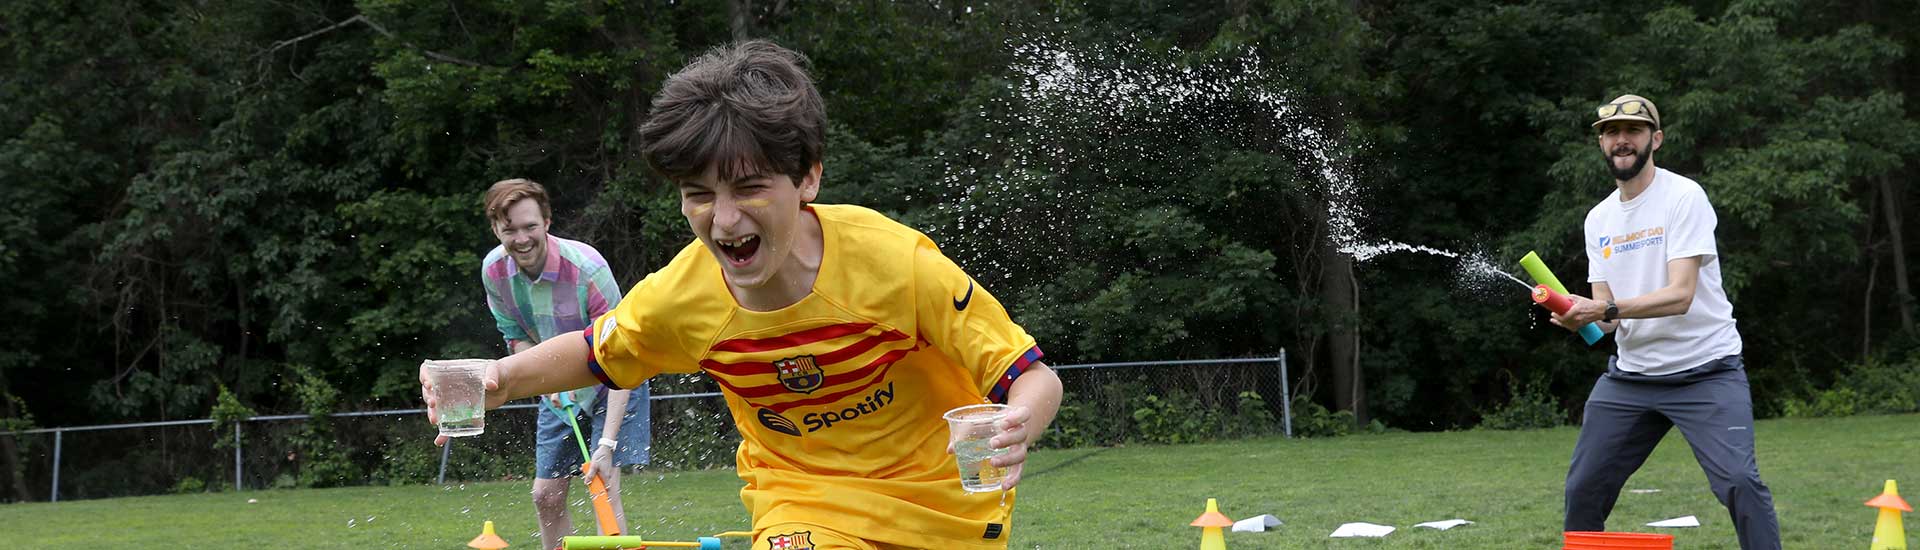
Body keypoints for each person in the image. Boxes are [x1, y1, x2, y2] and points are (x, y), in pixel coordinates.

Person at [429, 41, 1062, 550]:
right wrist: (501, 378)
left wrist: (1017, 424)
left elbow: (1033, 377)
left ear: (807, 176)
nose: (724, 221)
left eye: (749, 187)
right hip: (800, 503)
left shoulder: (899, 266)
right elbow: (598, 352)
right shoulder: (683, 295)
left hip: (941, 509)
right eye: (698, 195)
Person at [1551, 94, 1781, 549]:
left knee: (1738, 482)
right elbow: (1607, 317)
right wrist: (1582, 319)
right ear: (1602, 144)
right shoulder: (1598, 218)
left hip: (1706, 371)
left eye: (1633, 131)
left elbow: (1680, 296)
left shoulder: (1683, 196)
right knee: (1583, 490)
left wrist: (1606, 311)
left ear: (1654, 139)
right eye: (1611, 133)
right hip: (1632, 379)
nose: (1622, 140)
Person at [479, 178, 653, 549]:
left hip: (614, 376)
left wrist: (606, 444)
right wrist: (549, 384)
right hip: (555, 383)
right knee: (545, 495)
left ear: (547, 221)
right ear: (496, 229)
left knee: (603, 485)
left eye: (530, 226)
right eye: (509, 230)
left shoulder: (588, 268)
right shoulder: (494, 272)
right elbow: (516, 337)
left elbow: (622, 351)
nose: (521, 238)